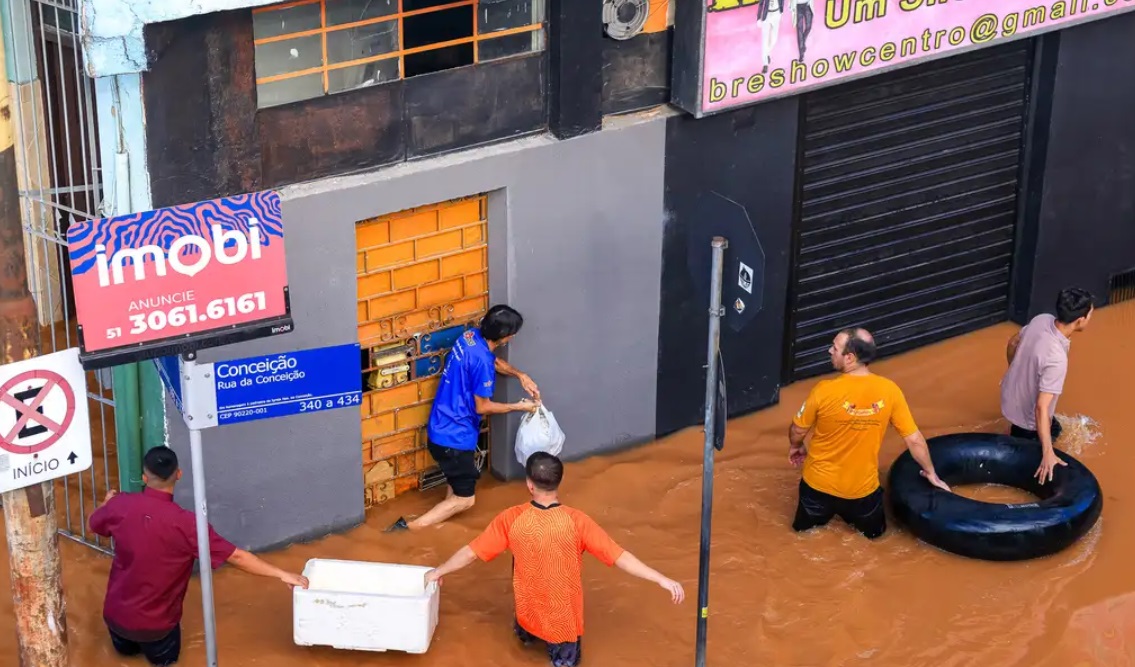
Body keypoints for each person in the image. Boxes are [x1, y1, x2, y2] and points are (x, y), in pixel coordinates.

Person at [425, 452, 684, 667]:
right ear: (559, 482)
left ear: (529, 484)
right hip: (563, 623)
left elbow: (472, 552)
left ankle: (527, 639)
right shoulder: (577, 522)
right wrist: (661, 579)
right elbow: (620, 557)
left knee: (523, 645)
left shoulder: (511, 518)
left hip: (526, 613)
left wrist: (438, 571)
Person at [89, 447, 308, 667]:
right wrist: (282, 574)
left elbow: (94, 524)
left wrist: (107, 503)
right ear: (179, 474)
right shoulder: (188, 525)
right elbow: (237, 557)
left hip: (116, 620)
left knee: (123, 658)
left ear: (145, 478)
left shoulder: (120, 505)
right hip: (157, 628)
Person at [387, 304, 541, 532]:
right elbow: (483, 406)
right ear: (505, 337)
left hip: (440, 428)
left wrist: (521, 375)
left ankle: (439, 527)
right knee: (465, 500)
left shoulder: (469, 337)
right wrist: (519, 407)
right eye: (512, 333)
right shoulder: (482, 365)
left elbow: (493, 361)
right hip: (455, 439)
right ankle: (407, 529)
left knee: (455, 487)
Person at [789, 327, 951, 539]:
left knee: (802, 537)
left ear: (849, 358)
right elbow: (914, 439)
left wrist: (796, 446)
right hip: (862, 494)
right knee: (876, 540)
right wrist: (931, 473)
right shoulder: (890, 391)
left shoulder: (823, 390)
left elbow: (798, 429)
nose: (829, 351)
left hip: (817, 488)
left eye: (834, 348)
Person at [1001, 287, 1095, 483]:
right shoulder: (1057, 359)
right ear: (1080, 320)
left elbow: (1013, 343)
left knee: (1055, 428)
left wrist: (1015, 371)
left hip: (1008, 395)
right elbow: (1041, 407)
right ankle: (1018, 445)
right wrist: (1048, 453)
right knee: (1036, 450)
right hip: (1025, 419)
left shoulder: (1041, 319)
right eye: (1090, 314)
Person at [757, 0, 784, 73]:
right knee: (765, 40)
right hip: (767, 15)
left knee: (774, 39)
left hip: (776, 14)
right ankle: (765, 63)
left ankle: (767, 53)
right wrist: (758, 18)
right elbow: (761, 4)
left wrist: (781, 11)